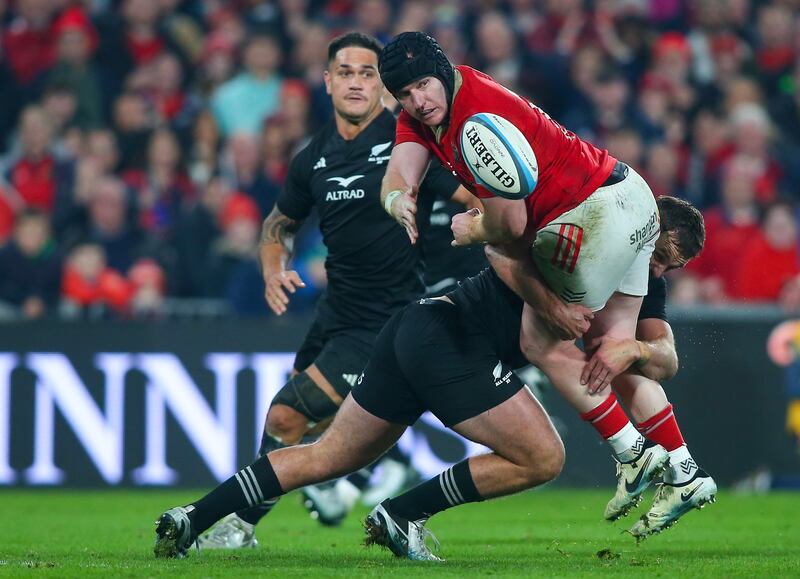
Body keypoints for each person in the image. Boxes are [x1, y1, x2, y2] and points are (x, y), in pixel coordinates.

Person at [377, 32, 709, 523]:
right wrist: (396, 198)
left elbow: (509, 227)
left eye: (423, 85)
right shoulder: (433, 109)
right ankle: (684, 473)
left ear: (441, 72)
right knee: (613, 350)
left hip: (589, 219)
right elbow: (398, 173)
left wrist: (473, 230)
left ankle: (632, 453)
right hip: (633, 195)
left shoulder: (473, 123)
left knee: (539, 336)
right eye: (405, 93)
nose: (418, 100)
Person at [194, 31, 461, 550]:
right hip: (335, 313)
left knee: (286, 414)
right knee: (304, 424)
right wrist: (274, 268)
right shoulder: (313, 156)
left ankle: (240, 526)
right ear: (327, 82)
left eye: (367, 73)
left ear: (382, 86)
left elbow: (475, 198)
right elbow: (277, 225)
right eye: (345, 72)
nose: (356, 82)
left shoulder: (408, 145)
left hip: (386, 320)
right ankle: (382, 469)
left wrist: (487, 230)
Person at [154, 266, 566, 560]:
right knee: (541, 457)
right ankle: (403, 514)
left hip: (413, 324)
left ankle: (194, 516)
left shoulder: (551, 231)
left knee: (327, 454)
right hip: (452, 342)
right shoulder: (570, 246)